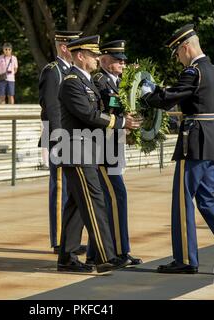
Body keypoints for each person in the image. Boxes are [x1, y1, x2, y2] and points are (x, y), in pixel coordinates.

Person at [140, 24, 214, 274]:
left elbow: (169, 99)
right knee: (208, 201)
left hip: (194, 143)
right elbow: (183, 95)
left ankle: (185, 260)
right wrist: (159, 89)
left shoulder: (194, 71)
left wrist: (147, 95)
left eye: (177, 53)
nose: (178, 59)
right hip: (211, 141)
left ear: (185, 47)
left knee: (182, 201)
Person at [56, 35, 141, 273]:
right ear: (80, 56)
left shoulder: (87, 82)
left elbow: (99, 110)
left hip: (86, 150)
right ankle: (105, 257)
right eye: (93, 55)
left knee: (76, 206)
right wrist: (122, 122)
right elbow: (88, 115)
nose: (96, 59)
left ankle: (67, 258)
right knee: (95, 202)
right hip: (78, 151)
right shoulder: (72, 82)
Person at [88, 40, 142, 266]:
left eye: (124, 60)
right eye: (118, 60)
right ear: (105, 60)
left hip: (113, 147)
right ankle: (119, 251)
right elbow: (105, 110)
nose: (123, 63)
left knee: (109, 200)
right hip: (103, 149)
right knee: (116, 197)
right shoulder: (99, 81)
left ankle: (99, 253)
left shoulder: (119, 82)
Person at [38, 30, 86, 255]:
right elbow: (51, 107)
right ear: (65, 48)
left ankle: (68, 240)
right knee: (60, 189)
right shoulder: (53, 71)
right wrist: (59, 138)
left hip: (72, 138)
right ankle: (59, 240)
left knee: (72, 190)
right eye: (75, 47)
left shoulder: (70, 72)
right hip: (59, 138)